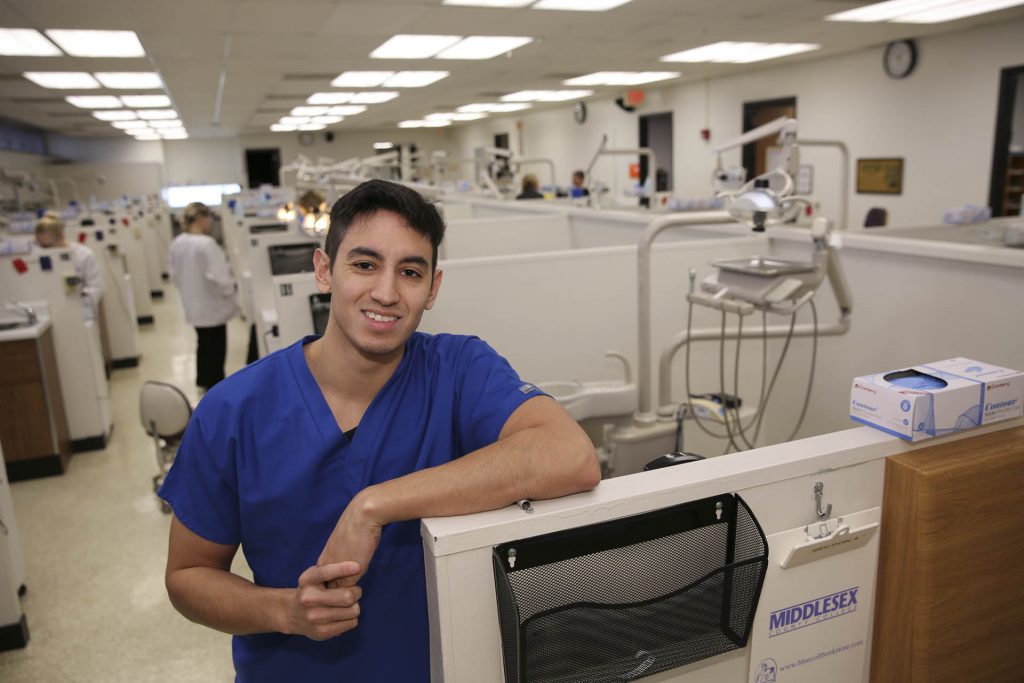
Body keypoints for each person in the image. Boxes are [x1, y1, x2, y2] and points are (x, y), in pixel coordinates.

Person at [159, 179, 600, 681]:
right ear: (324, 271)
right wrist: (285, 611)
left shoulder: (457, 370)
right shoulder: (233, 409)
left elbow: (570, 455)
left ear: (432, 289)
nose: (386, 293)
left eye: (410, 272)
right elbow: (188, 577)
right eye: (364, 265)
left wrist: (373, 506)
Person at [168, 202, 238, 391]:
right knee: (215, 348)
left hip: (193, 304)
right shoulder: (206, 244)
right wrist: (231, 292)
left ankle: (203, 380)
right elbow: (220, 277)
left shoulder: (177, 243)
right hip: (212, 305)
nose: (210, 223)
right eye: (209, 218)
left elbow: (173, 275)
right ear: (200, 219)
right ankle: (215, 385)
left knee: (203, 342)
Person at [34, 212, 103, 321]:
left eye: (47, 246)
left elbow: (95, 288)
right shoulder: (39, 258)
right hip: (52, 314)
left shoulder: (84, 255)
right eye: (40, 246)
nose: (44, 251)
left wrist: (74, 298)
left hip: (82, 313)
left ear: (61, 236)